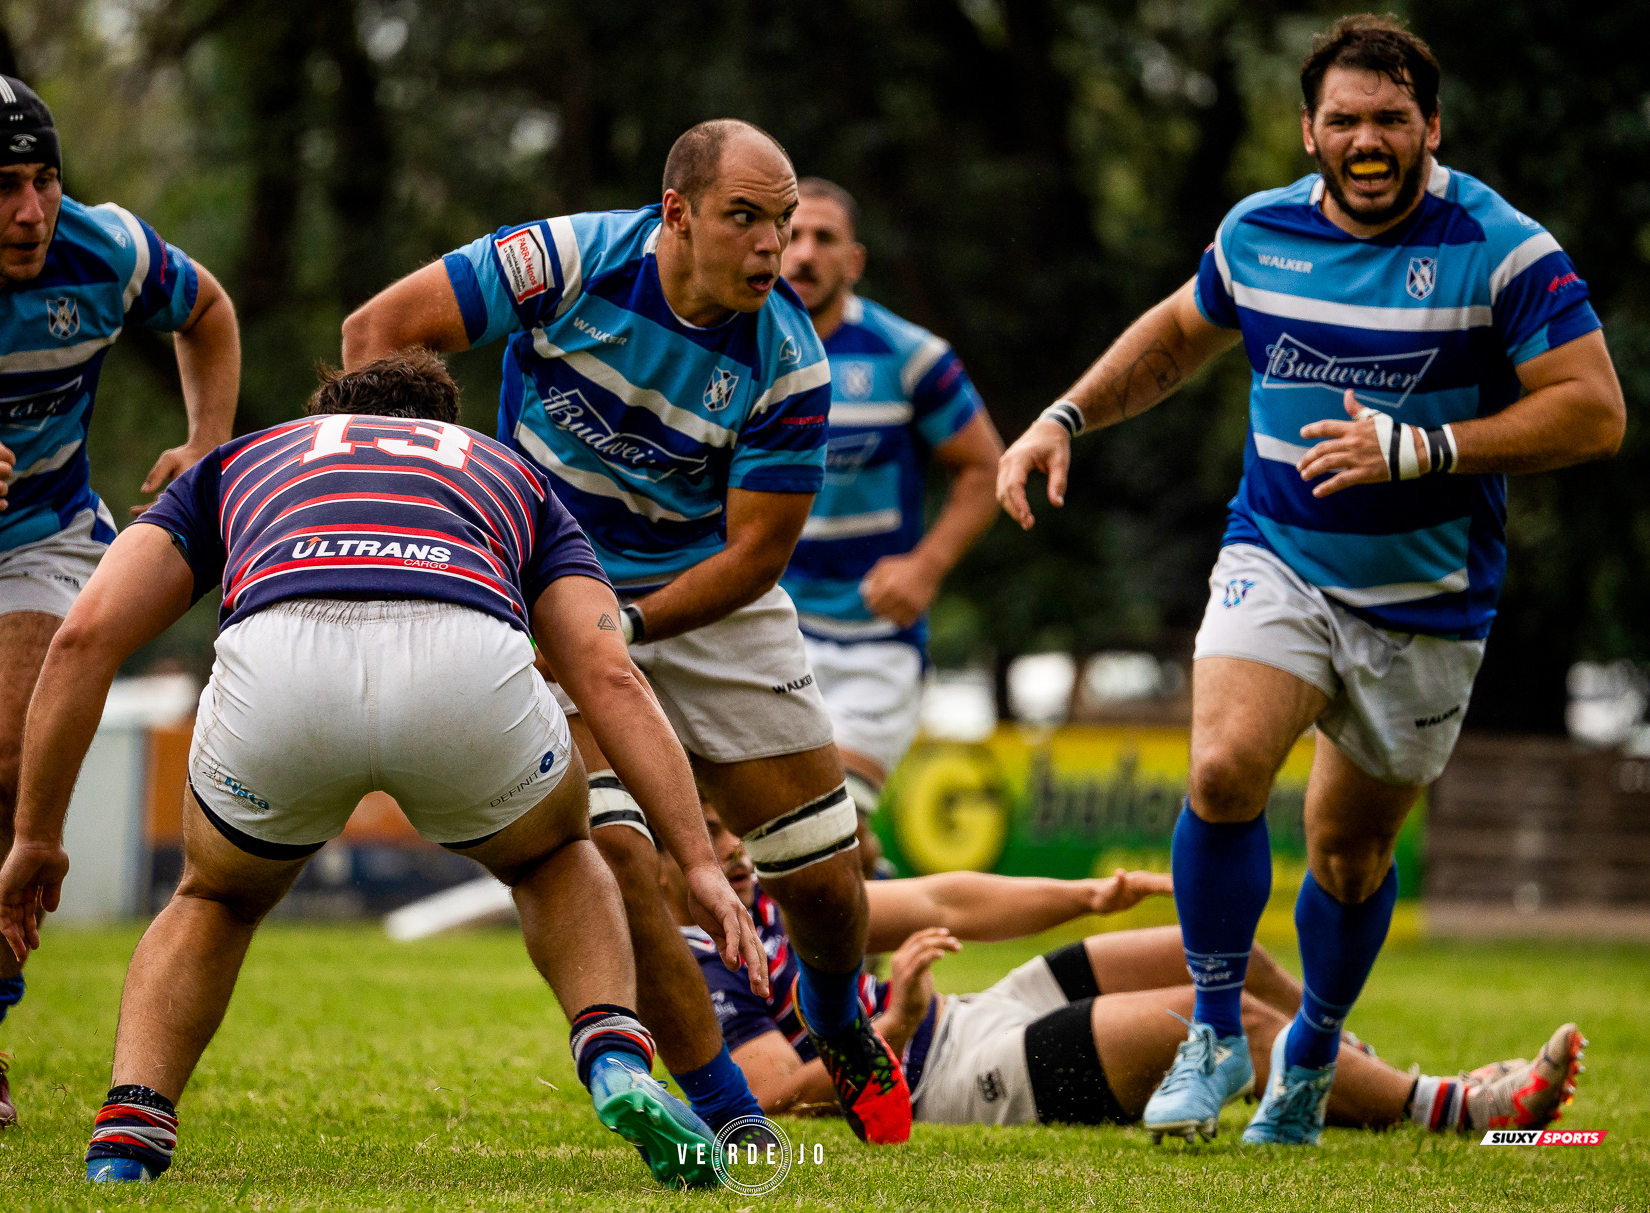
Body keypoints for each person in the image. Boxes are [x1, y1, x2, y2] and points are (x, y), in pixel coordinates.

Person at [994, 15, 1624, 1146]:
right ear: (1309, 130)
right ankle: (1214, 1029)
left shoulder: (1504, 247)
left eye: (1391, 119)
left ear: (1432, 127)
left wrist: (1425, 446)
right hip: (1278, 556)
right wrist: (1063, 414)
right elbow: (1179, 337)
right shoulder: (1260, 232)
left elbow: (1595, 410)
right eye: (1345, 119)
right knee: (1226, 766)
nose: (1367, 138)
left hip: (1428, 599)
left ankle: (1315, 1045)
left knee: (1349, 851)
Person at [0, 350, 767, 1188]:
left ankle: (129, 1131)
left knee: (215, 894)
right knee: (553, 857)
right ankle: (614, 1048)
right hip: (462, 654)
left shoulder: (246, 458)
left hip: (283, 658)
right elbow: (609, 673)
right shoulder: (508, 471)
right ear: (444, 424)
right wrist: (693, 859)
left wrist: (36, 834)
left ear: (325, 412)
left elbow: (83, 638)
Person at [340, 120, 911, 1144]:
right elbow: (376, 334)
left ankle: (834, 1016)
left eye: (782, 224)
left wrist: (624, 624)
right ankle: (732, 1116)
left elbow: (755, 558)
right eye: (747, 219)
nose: (774, 249)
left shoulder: (790, 361)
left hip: (697, 596)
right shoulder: (564, 261)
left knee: (825, 872)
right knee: (615, 855)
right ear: (676, 215)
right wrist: (461, 515)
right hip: (539, 579)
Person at [0, 72, 239, 1128]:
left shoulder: (102, 248)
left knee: (11, 769)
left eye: (45, 180)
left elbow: (205, 309)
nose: (32, 212)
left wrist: (207, 439)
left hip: (34, 536)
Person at [663, 806, 1584, 1137]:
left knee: (1222, 960)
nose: (737, 846)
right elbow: (776, 1099)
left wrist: (1084, 897)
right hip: (932, 1077)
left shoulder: (781, 894)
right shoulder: (691, 964)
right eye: (707, 833)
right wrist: (894, 1028)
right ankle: (1456, 1107)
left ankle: (1366, 1076)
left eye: (727, 822)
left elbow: (959, 900)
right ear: (657, 860)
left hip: (972, 1014)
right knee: (1209, 1023)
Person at [778, 179, 1003, 871]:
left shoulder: (909, 356)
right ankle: (869, 915)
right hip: (769, 634)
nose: (805, 253)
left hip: (877, 644)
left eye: (824, 238)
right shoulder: (738, 352)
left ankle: (862, 924)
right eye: (792, 237)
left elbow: (985, 469)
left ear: (855, 259)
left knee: (826, 830)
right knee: (794, 839)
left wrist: (926, 566)